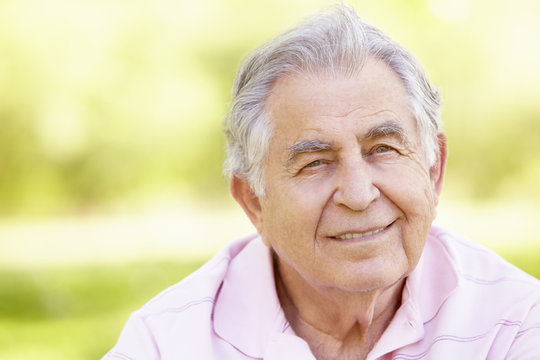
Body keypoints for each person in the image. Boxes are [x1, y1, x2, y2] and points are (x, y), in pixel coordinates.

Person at [102, 4, 540, 359]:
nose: (358, 193)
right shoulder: (165, 343)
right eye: (314, 162)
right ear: (254, 201)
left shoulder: (516, 323)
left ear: (432, 170)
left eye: (383, 150)